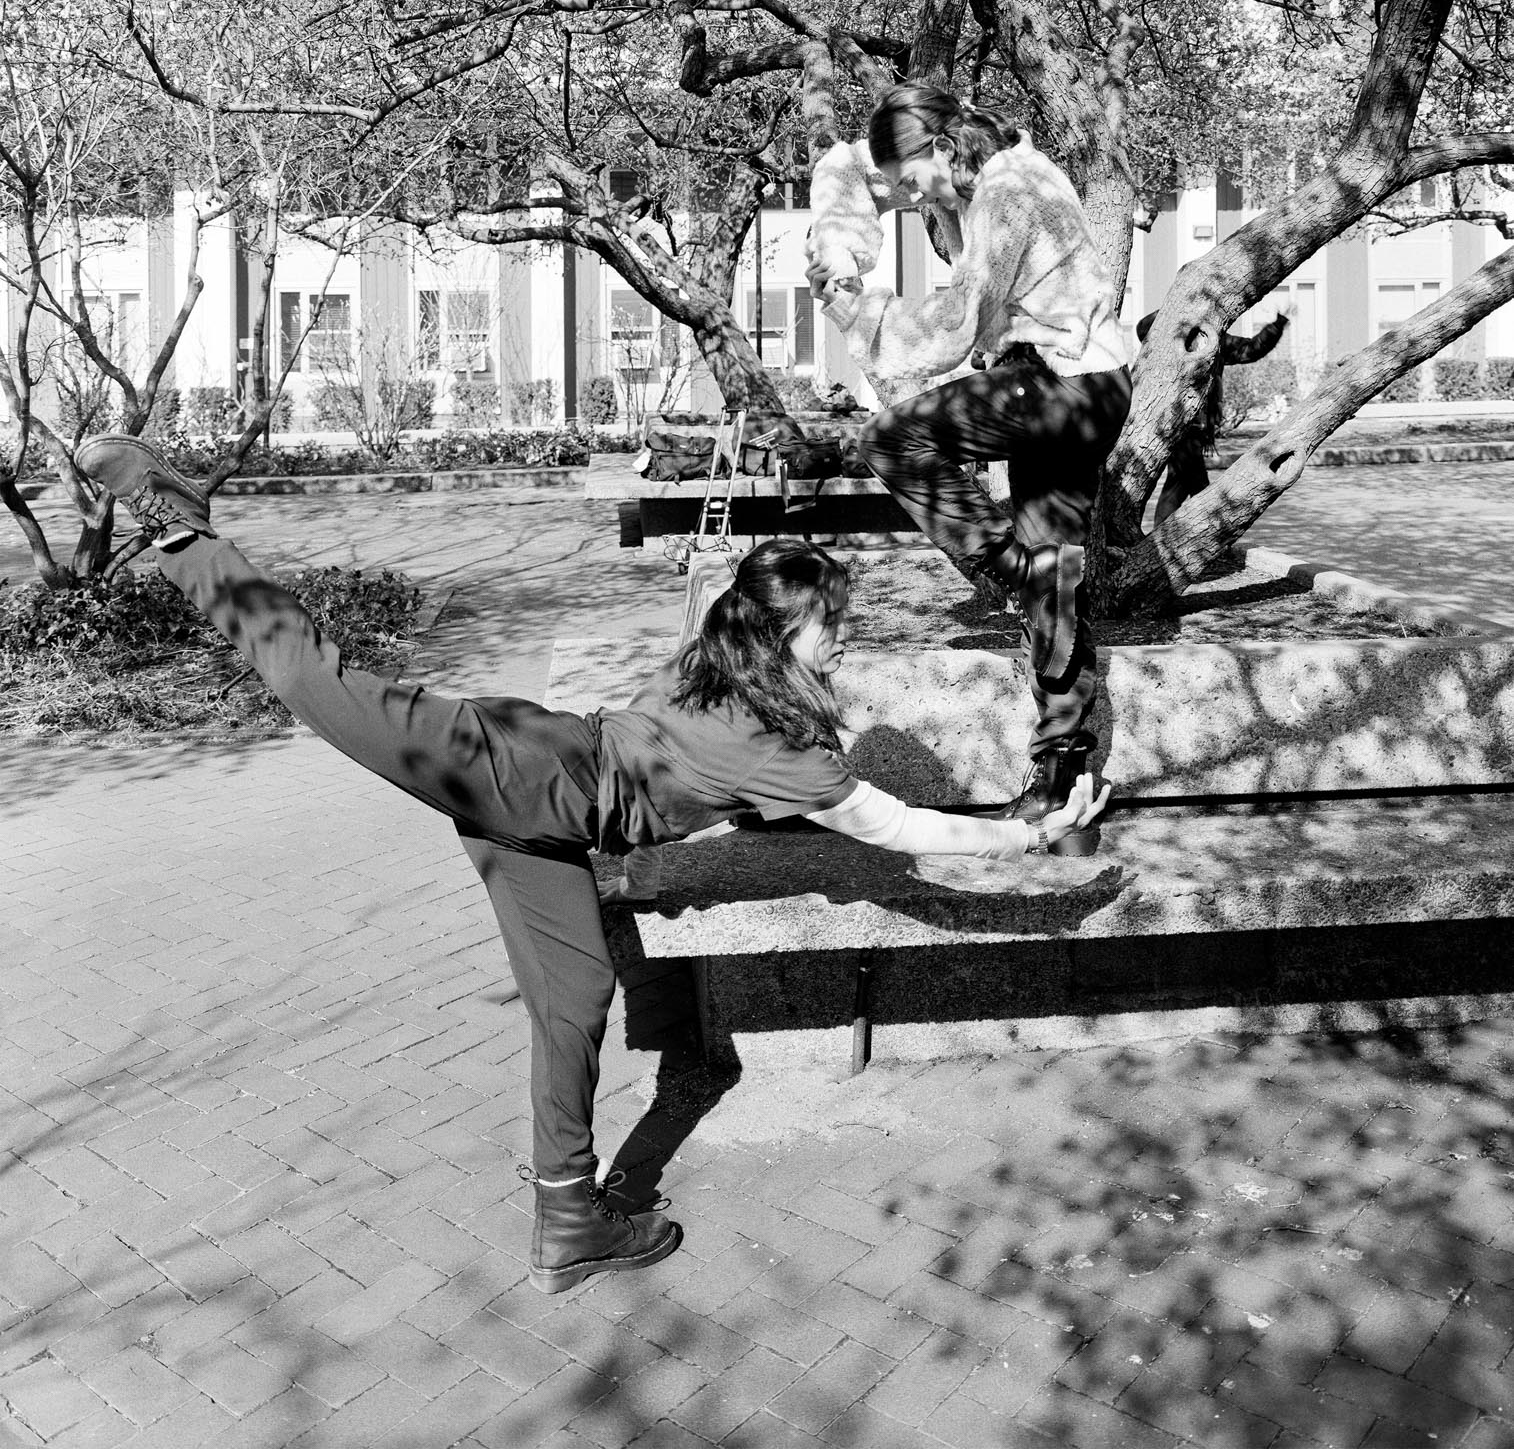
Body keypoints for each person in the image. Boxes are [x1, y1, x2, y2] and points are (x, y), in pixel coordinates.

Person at [75, 434, 1109, 1296]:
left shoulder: (725, 660)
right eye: (836, 628)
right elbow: (895, 829)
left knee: (574, 998)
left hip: (539, 825)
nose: (846, 644)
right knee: (317, 679)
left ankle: (568, 1221)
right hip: (516, 765)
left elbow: (776, 766)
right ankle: (180, 529)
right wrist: (1024, 832)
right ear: (785, 630)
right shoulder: (781, 742)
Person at [806, 82, 1132, 823]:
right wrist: (839, 238)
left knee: (891, 438)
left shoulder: (1006, 192)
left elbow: (958, 324)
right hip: (1079, 388)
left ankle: (1018, 571)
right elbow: (849, 166)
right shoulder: (984, 168)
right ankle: (1061, 773)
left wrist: (858, 307)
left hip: (1063, 389)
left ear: (941, 148)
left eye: (913, 180)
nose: (912, 199)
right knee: (1058, 585)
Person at [1135, 305, 1290, 523]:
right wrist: (1175, 308)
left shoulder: (1214, 340)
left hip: (1199, 424)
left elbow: (1249, 349)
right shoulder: (1169, 336)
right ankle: (1210, 526)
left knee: (1179, 481)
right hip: (1174, 422)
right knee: (1194, 482)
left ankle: (1168, 532)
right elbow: (1142, 328)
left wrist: (1276, 326)